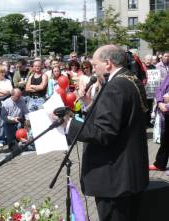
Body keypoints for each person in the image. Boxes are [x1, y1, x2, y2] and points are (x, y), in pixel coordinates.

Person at [63, 45, 149, 221]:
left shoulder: (115, 86)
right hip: (129, 175)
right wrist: (88, 103)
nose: (93, 69)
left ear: (108, 63)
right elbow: (118, 118)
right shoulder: (131, 79)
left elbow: (103, 133)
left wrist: (68, 123)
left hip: (115, 179)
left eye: (95, 64)